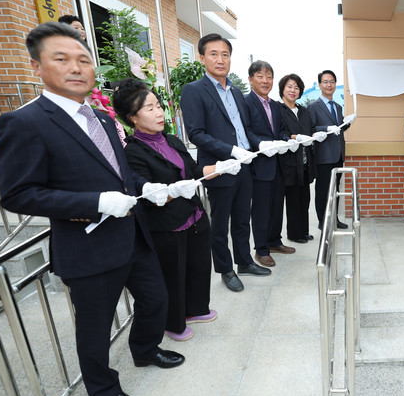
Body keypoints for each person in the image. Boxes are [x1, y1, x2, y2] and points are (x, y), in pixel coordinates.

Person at [0, 22, 184, 396]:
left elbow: (121, 174)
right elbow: (17, 194)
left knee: (156, 299)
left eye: (83, 60)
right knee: (95, 327)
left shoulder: (101, 117)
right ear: (37, 67)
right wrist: (95, 202)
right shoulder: (25, 122)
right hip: (88, 244)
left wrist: (146, 187)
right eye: (61, 59)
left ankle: (145, 349)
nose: (76, 68)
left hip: (133, 233)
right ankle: (104, 390)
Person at [116, 79, 235, 341]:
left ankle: (196, 309)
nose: (159, 113)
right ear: (132, 117)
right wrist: (173, 191)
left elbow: (194, 172)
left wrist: (221, 167)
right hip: (167, 224)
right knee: (173, 275)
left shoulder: (171, 140)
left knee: (198, 268)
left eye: (158, 106)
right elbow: (148, 195)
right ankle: (173, 323)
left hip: (194, 215)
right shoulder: (133, 152)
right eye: (149, 109)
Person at [181, 33, 271, 293]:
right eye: (214, 54)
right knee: (220, 224)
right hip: (219, 167)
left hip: (245, 165)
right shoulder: (194, 90)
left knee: (242, 219)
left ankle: (244, 262)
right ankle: (225, 269)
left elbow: (244, 129)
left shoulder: (236, 92)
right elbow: (196, 133)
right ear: (202, 58)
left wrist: (260, 145)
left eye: (225, 54)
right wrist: (230, 151)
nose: (220, 60)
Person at [244, 60, 295, 267]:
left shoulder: (275, 105)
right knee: (261, 209)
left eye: (269, 76)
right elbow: (246, 130)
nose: (265, 81)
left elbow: (280, 130)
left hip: (278, 163)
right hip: (259, 165)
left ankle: (275, 241)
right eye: (260, 76)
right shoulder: (245, 102)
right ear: (250, 79)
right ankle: (262, 249)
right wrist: (260, 144)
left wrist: (287, 140)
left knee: (276, 206)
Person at [277, 73, 316, 243]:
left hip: (305, 162)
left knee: (304, 199)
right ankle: (294, 234)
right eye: (289, 87)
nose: (293, 90)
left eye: (296, 87)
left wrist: (315, 135)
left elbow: (311, 129)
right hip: (289, 163)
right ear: (282, 89)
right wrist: (294, 137)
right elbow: (279, 132)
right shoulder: (278, 110)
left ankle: (304, 231)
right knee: (293, 200)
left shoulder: (303, 111)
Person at [309, 69, 349, 230]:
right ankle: (323, 221)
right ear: (319, 84)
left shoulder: (337, 106)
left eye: (332, 82)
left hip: (338, 155)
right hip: (323, 156)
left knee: (336, 189)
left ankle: (334, 219)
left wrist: (346, 123)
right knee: (323, 190)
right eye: (325, 82)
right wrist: (326, 128)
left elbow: (339, 128)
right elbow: (311, 129)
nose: (329, 85)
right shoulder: (313, 107)